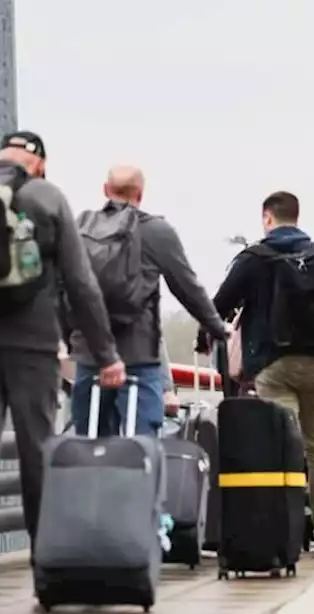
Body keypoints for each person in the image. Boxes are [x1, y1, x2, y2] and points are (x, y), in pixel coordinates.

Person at [0, 131, 123, 609]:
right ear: (41, 164)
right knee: (36, 455)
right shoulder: (48, 197)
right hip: (31, 344)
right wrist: (107, 354)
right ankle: (45, 574)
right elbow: (80, 282)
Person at [212, 191, 314, 557]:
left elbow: (220, 304)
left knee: (282, 448)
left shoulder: (254, 259)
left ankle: (286, 531)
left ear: (267, 218)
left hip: (273, 365)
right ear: (297, 216)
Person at [69, 166, 226, 438]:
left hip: (90, 354)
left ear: (106, 190)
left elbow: (64, 285)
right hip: (139, 355)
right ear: (140, 194)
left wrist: (70, 336)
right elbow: (187, 287)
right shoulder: (156, 231)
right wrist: (218, 328)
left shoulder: (80, 227)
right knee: (144, 446)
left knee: (89, 444)